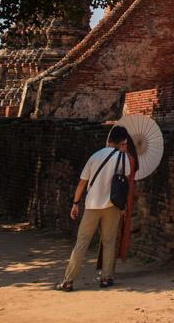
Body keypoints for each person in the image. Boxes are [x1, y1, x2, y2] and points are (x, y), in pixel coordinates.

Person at [57, 124, 136, 290]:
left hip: (92, 205)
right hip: (113, 206)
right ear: (123, 141)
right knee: (108, 241)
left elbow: (82, 183)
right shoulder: (124, 158)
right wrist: (123, 206)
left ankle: (69, 280)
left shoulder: (96, 156)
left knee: (82, 242)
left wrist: (75, 203)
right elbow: (125, 183)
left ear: (109, 139)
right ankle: (106, 277)